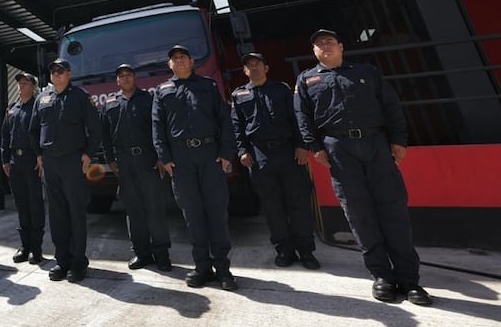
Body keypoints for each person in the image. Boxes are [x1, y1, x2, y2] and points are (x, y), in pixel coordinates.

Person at [293, 29, 432, 306]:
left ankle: (409, 280)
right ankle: (382, 276)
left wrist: (399, 140)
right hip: (338, 149)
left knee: (392, 208)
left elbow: (391, 105)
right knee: (358, 213)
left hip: (376, 144)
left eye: (330, 42)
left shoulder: (367, 72)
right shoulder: (307, 79)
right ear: (314, 52)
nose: (325, 46)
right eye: (319, 44)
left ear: (341, 46)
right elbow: (302, 116)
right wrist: (315, 147)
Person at [152, 45, 238, 291]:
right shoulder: (162, 91)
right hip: (180, 159)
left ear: (192, 61)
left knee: (216, 213)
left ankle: (223, 269)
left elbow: (224, 119)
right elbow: (157, 126)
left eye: (183, 58)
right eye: (174, 59)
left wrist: (224, 153)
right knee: (193, 215)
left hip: (210, 156)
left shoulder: (208, 86)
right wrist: (164, 157)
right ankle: (202, 267)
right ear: (170, 65)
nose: (178, 61)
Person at [231, 52, 319, 269]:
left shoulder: (281, 90)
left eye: (258, 63)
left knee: (298, 204)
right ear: (244, 71)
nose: (254, 67)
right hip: (260, 157)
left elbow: (297, 118)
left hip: (288, 153)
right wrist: (242, 150)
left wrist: (301, 145)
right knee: (273, 208)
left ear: (266, 68)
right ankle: (284, 251)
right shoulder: (239, 95)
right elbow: (237, 127)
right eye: (249, 65)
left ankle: (306, 251)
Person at [29, 58, 101, 283]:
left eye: (61, 71)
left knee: (76, 212)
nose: (57, 74)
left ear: (69, 74)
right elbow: (32, 130)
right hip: (50, 163)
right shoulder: (42, 98)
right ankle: (62, 260)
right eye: (53, 71)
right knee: (57, 213)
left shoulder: (80, 97)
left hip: (73, 162)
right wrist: (39, 156)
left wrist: (89, 154)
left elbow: (95, 128)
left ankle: (78, 262)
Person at [101, 63, 172, 271]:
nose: (125, 79)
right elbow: (104, 134)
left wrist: (161, 156)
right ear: (117, 81)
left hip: (148, 161)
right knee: (133, 210)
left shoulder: (149, 100)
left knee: (155, 208)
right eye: (121, 76)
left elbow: (160, 129)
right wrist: (110, 160)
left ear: (135, 78)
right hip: (124, 163)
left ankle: (161, 253)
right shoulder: (110, 103)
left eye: (128, 75)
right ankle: (142, 253)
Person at [0, 71, 45, 265]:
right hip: (15, 161)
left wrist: (41, 156)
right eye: (20, 83)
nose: (22, 86)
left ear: (33, 87)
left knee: (35, 204)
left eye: (26, 83)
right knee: (21, 205)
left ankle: (36, 248)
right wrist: (4, 159)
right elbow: (4, 135)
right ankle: (24, 246)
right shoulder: (12, 108)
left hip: (32, 160)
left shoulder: (38, 107)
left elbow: (44, 132)